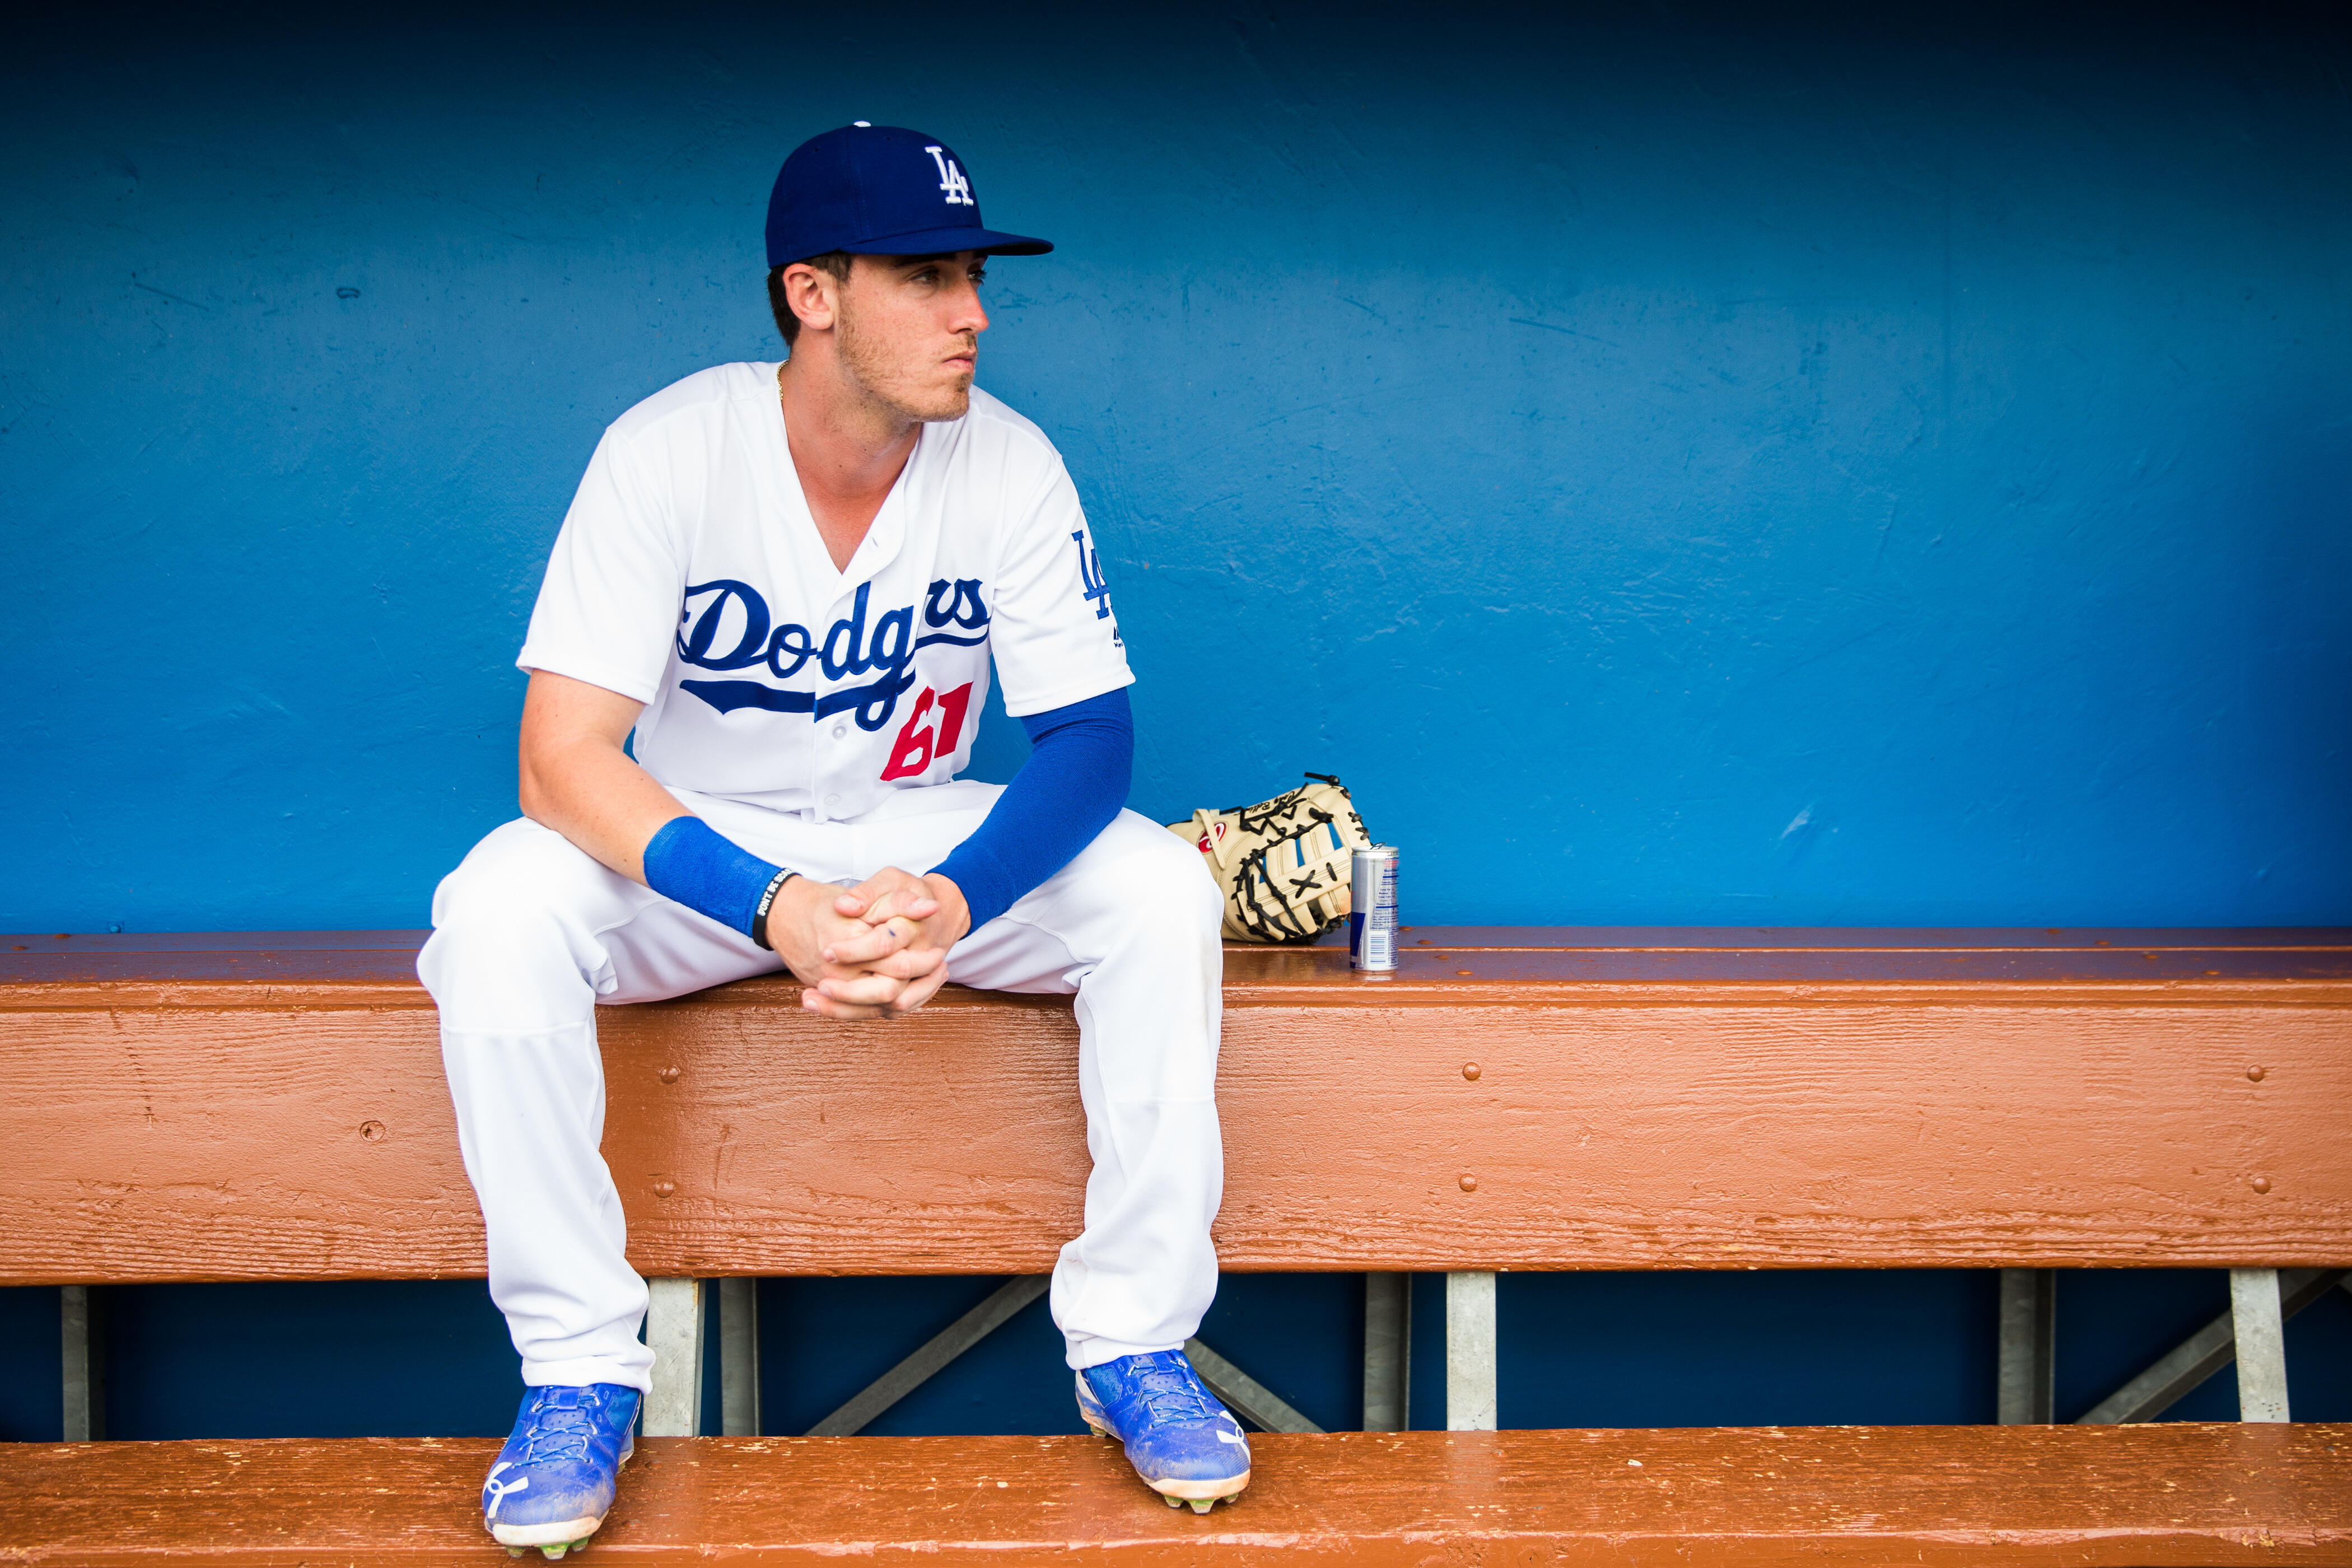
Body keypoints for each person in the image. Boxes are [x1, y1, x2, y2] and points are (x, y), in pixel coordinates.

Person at [418, 124, 1245, 1559]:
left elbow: (1092, 745)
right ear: (812, 292)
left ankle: (1134, 1341)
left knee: (1160, 889)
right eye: (927, 276)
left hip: (919, 831)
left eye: (973, 274)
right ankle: (576, 1366)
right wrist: (773, 904)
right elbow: (561, 761)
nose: (972, 310)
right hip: (695, 850)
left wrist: (954, 892)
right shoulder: (669, 448)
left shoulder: (1011, 461)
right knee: (493, 907)